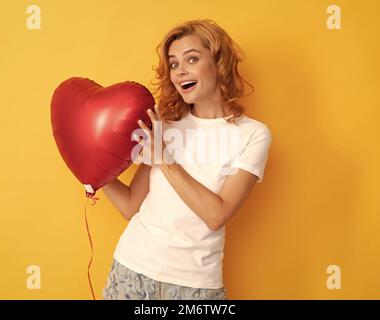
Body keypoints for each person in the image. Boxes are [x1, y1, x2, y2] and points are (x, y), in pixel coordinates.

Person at [102, 19, 272, 300]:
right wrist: (92, 171)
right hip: (131, 268)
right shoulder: (164, 125)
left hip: (194, 286)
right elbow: (132, 205)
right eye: (174, 64)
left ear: (219, 63)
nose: (180, 72)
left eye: (192, 59)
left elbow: (216, 215)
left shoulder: (252, 135)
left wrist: (165, 159)